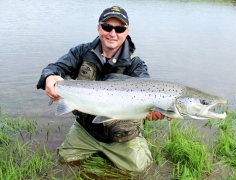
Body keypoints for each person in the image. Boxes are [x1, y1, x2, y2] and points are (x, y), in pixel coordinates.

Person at [37, 6, 171, 172]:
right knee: (66, 161)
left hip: (121, 135)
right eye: (107, 27)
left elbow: (147, 86)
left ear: (127, 31)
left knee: (140, 168)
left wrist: (154, 109)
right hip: (86, 130)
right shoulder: (81, 52)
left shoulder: (136, 64)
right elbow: (54, 68)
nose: (112, 33)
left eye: (119, 29)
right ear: (99, 27)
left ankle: (129, 147)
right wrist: (49, 77)